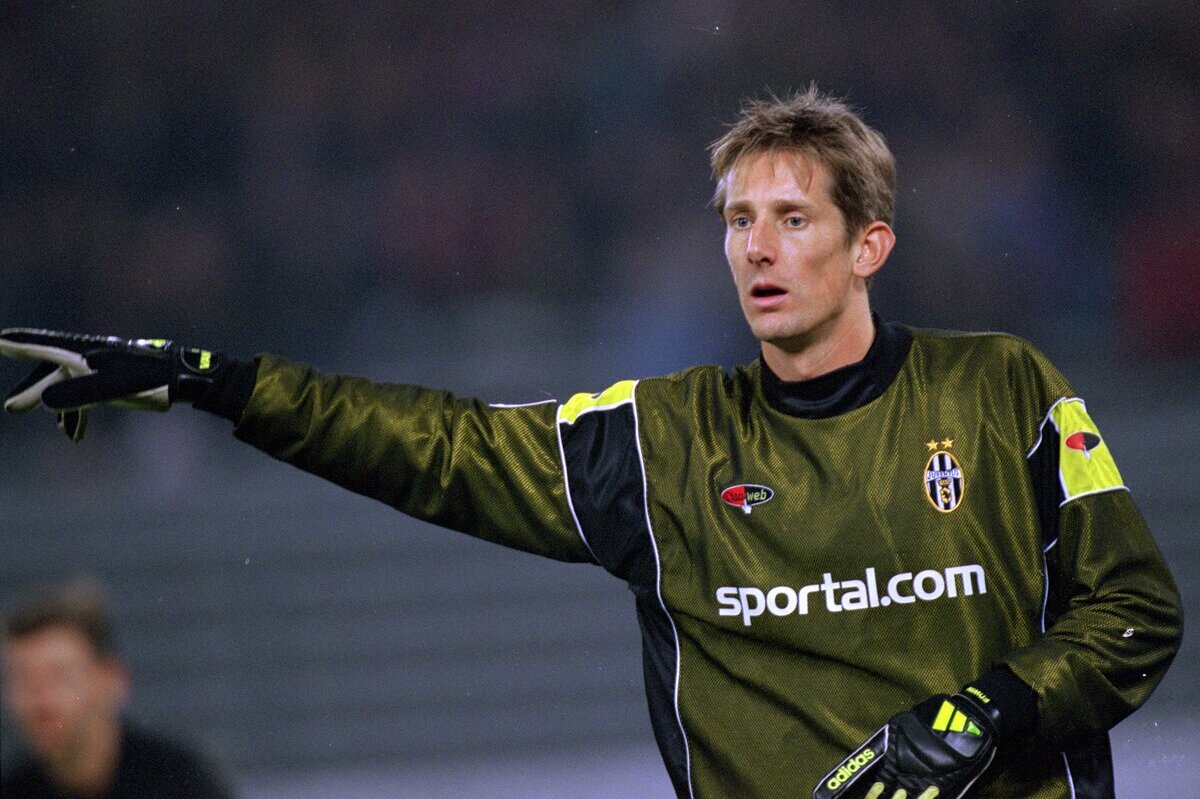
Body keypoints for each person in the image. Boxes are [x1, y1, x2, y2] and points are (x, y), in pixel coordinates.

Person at [0, 87, 1182, 799]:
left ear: (869, 244)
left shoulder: (1002, 387)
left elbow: (1135, 611)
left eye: (792, 218)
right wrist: (215, 380)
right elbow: (436, 445)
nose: (757, 248)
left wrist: (988, 711)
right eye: (737, 220)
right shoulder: (660, 442)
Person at [1, 578, 235, 799]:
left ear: (111, 680)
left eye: (60, 676)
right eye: (24, 679)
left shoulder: (181, 784)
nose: (41, 699)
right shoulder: (14, 789)